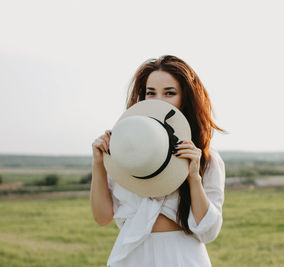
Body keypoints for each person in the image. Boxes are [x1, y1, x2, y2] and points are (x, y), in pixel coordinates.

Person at [90, 55, 226, 267]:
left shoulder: (206, 158)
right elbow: (102, 217)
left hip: (182, 257)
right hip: (131, 256)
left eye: (169, 93)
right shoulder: (123, 152)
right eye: (150, 93)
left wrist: (193, 178)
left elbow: (208, 232)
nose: (158, 101)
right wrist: (99, 164)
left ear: (185, 98)